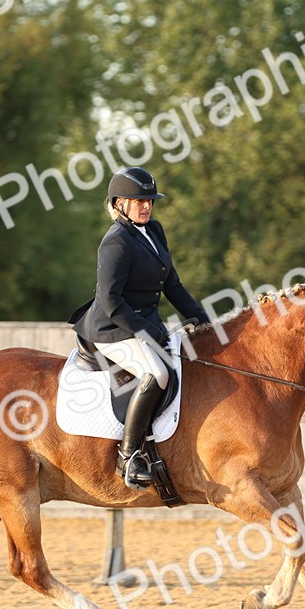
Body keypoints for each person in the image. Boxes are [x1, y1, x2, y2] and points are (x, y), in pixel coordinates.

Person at [69, 167, 210, 489]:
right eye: (138, 201)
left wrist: (203, 319)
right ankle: (129, 455)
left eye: (150, 200)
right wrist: (149, 330)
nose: (146, 206)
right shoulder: (116, 242)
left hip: (143, 324)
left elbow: (172, 284)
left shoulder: (154, 231)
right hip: (111, 329)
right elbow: (110, 301)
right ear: (119, 203)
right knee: (158, 373)